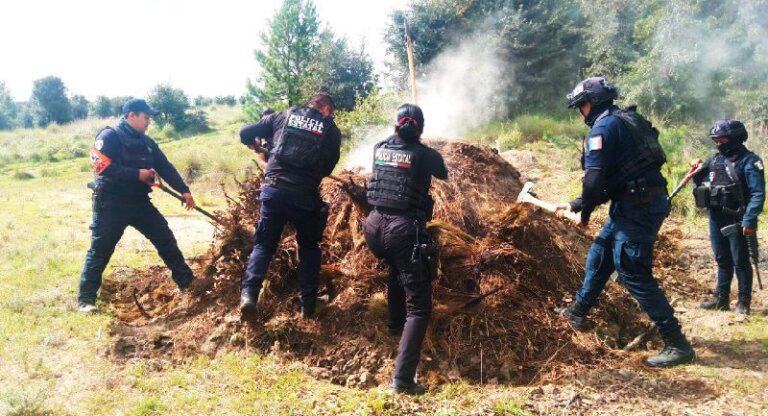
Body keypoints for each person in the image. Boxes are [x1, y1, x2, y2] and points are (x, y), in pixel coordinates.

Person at [554, 77, 695, 368]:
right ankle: (577, 311)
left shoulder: (603, 127)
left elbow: (594, 180)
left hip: (638, 207)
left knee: (632, 269)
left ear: (590, 103)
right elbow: (623, 174)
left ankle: (677, 344)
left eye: (580, 106)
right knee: (601, 252)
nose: (581, 113)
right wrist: (578, 203)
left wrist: (585, 212)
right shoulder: (627, 119)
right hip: (636, 201)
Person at [78, 99, 198, 313]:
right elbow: (100, 166)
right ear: (131, 115)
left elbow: (166, 167)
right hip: (111, 203)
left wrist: (184, 190)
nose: (148, 122)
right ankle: (86, 300)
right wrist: (136, 174)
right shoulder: (109, 136)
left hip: (139, 203)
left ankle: (187, 283)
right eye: (145, 117)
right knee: (100, 251)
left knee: (165, 239)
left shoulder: (148, 142)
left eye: (149, 118)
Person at [363, 104, 448, 395]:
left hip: (373, 227)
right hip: (401, 230)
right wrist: (426, 145)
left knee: (396, 268)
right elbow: (443, 172)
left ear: (395, 124)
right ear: (420, 128)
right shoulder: (425, 155)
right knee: (420, 306)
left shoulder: (379, 148)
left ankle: (393, 324)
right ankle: (402, 379)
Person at [238, 93, 341, 319]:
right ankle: (308, 305)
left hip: (273, 191)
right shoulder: (330, 129)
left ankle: (249, 296)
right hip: (304, 197)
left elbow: (244, 133)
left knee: (264, 245)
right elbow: (328, 167)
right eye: (331, 112)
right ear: (325, 109)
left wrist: (255, 144)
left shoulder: (283, 116)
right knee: (309, 248)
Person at [690, 119, 764, 315]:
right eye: (715, 140)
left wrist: (749, 220)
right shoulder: (715, 160)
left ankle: (743, 303)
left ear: (734, 139)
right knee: (722, 259)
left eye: (721, 140)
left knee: (740, 260)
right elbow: (701, 183)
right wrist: (696, 169)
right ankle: (721, 299)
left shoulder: (749, 161)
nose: (717, 144)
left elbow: (758, 194)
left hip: (738, 218)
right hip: (716, 216)